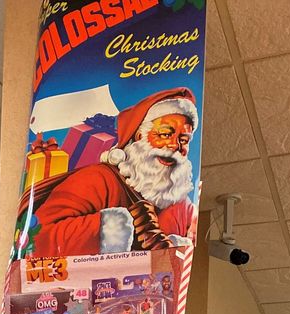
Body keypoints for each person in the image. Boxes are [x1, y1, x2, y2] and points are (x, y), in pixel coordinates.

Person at [28, 88, 199, 256]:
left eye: (183, 140)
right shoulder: (97, 179)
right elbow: (37, 239)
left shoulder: (182, 205)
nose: (174, 146)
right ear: (140, 136)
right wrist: (118, 225)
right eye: (164, 134)